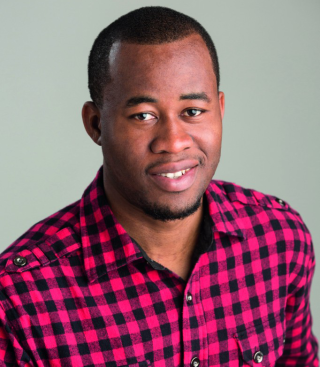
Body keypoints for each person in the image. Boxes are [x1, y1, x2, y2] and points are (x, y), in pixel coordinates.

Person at [0, 6, 318, 366]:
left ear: (221, 109)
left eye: (193, 111)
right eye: (143, 116)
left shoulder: (279, 239)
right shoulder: (19, 299)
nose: (173, 140)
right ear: (95, 124)